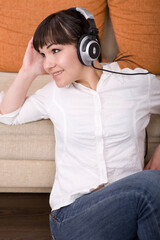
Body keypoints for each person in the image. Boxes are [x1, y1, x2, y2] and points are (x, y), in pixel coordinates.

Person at [0, 7, 160, 240]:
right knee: (150, 186)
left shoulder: (136, 85)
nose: (47, 64)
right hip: (73, 217)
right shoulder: (53, 94)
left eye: (55, 50)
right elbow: (8, 115)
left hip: (123, 211)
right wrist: (27, 71)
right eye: (44, 55)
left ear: (88, 47)